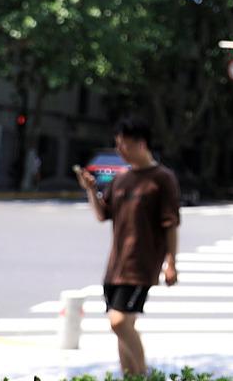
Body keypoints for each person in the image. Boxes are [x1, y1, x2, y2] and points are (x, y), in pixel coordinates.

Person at [75, 117, 181, 376]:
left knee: (119, 322)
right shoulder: (121, 179)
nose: (119, 150)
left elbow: (170, 224)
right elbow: (103, 215)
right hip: (115, 267)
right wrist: (91, 190)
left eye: (124, 144)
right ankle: (130, 376)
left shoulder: (162, 178)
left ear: (141, 144)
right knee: (123, 327)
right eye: (118, 144)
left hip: (140, 266)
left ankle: (143, 374)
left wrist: (171, 263)